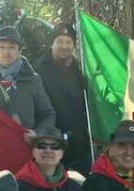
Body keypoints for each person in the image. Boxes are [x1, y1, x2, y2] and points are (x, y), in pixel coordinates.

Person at [0, 26, 56, 136]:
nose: (6, 52)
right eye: (1, 47)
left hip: (22, 146)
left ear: (19, 51)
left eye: (12, 47)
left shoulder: (32, 80)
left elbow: (47, 114)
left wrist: (37, 134)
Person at [33, 23, 92, 173]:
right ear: (52, 43)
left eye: (68, 42)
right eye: (59, 41)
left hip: (80, 148)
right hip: (51, 147)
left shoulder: (80, 70)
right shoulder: (37, 70)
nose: (64, 46)